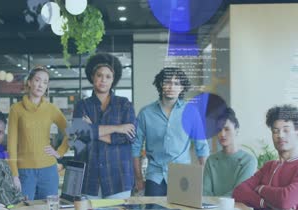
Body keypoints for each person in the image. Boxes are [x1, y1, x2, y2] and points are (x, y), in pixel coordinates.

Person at [132, 67, 209, 196]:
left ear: (182, 88)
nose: (171, 86)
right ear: (160, 84)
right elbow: (135, 148)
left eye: (176, 83)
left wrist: (203, 180)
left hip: (183, 175)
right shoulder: (146, 113)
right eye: (167, 82)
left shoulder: (191, 112)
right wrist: (139, 179)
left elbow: (202, 148)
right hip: (155, 176)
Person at [73, 53, 136, 199]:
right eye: (99, 75)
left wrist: (92, 130)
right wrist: (117, 128)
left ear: (113, 80)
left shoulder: (124, 104)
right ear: (93, 77)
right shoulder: (82, 105)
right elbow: (81, 133)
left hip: (118, 178)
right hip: (89, 179)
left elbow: (129, 137)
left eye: (108, 77)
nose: (103, 80)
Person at [7, 66, 69, 200]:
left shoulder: (51, 109)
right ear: (29, 82)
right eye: (37, 80)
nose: (41, 85)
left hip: (49, 170)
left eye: (45, 82)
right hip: (24, 172)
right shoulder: (16, 109)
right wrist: (14, 174)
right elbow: (11, 144)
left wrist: (60, 152)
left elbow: (71, 132)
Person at [203, 107, 257, 197]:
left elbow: (238, 193)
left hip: (238, 209)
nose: (222, 134)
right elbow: (205, 192)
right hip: (211, 209)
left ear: (237, 131)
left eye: (227, 129)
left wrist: (214, 203)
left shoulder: (248, 161)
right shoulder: (211, 160)